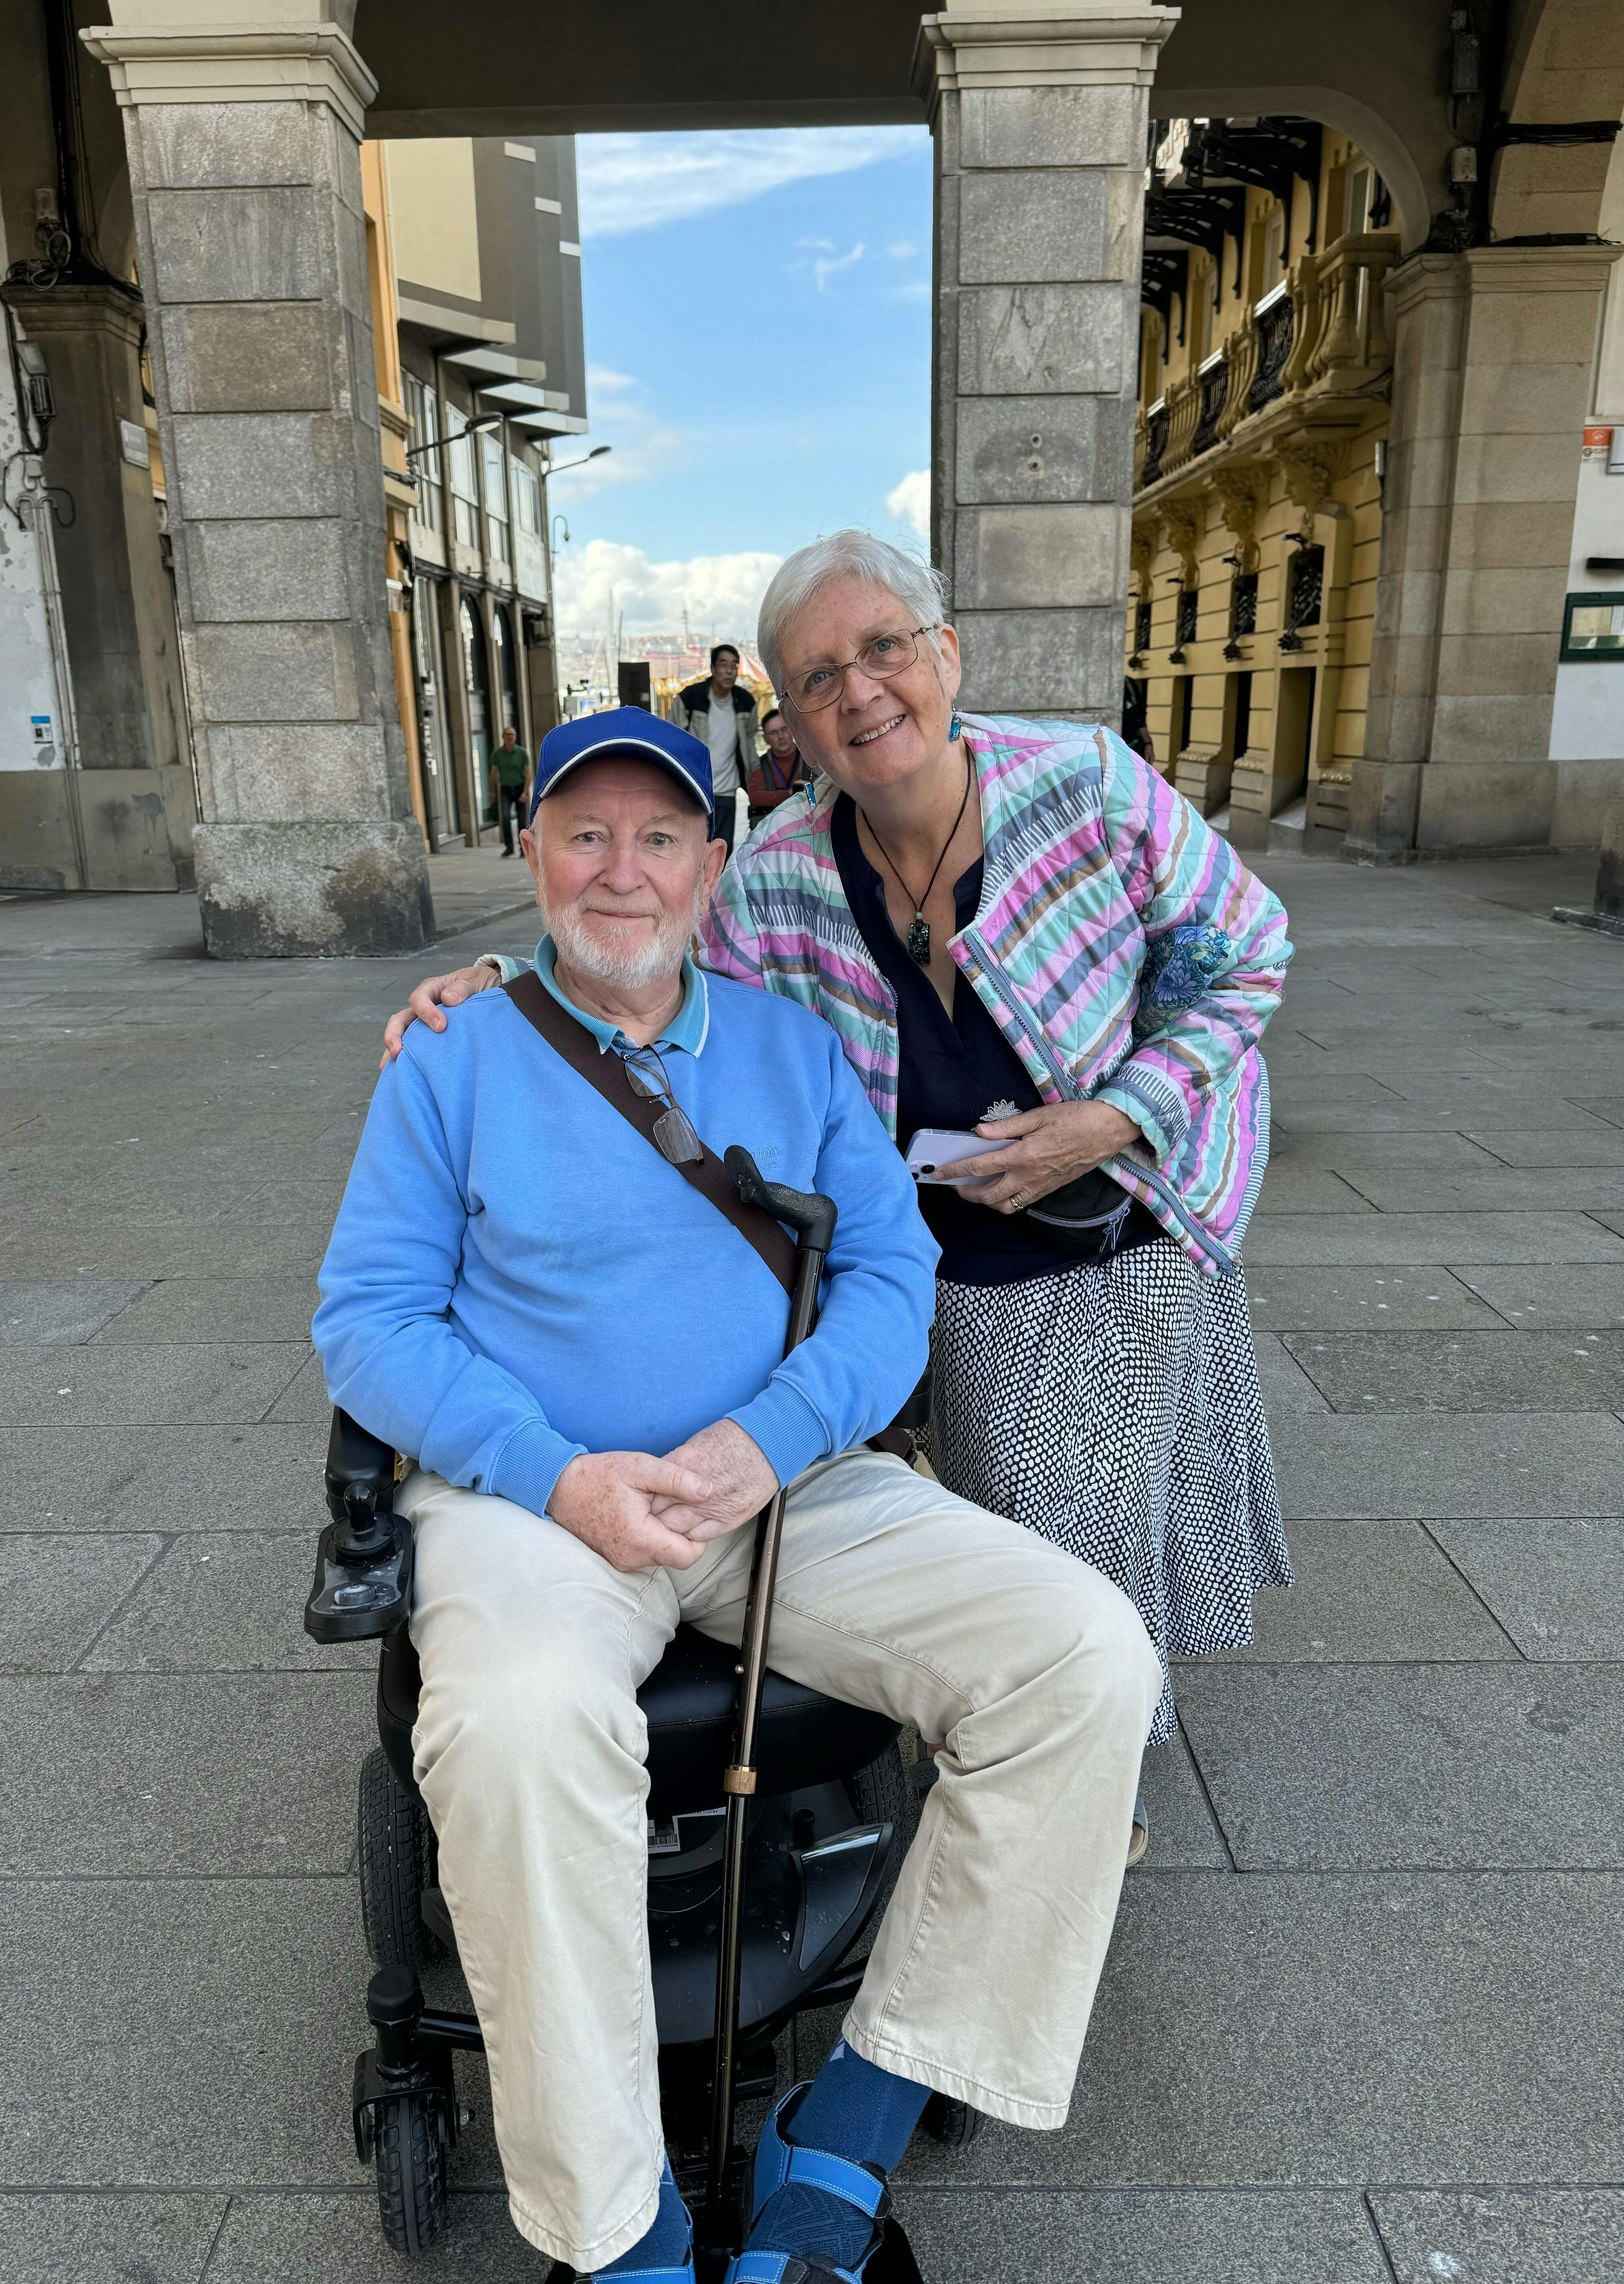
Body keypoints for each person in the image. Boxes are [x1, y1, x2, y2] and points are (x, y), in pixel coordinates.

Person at [320, 706, 1160, 2284]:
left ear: (715, 865)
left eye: (656, 838)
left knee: (1088, 1656)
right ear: (533, 856)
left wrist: (770, 1439)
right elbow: (365, 1318)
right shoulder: (456, 1055)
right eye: (584, 834)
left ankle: (850, 2120)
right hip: (535, 1505)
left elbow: (891, 1281)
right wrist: (558, 1476)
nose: (618, 871)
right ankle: (620, 2228)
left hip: (783, 1490)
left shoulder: (793, 1047)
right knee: (510, 1727)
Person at [383, 534, 1294, 1861]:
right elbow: (641, 943)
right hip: (921, 1242)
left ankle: (1091, 1792)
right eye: (817, 679)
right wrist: (498, 987)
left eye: (883, 650)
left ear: (945, 656)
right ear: (791, 721)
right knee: (970, 1500)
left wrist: (1117, 1116)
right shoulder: (786, 871)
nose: (859, 691)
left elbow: (1246, 958)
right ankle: (1013, 1732)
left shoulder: (1085, 790)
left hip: (1117, 1218)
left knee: (1075, 1517)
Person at [670, 641, 758, 857]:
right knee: (691, 849)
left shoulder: (745, 702)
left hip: (727, 790)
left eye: (734, 666)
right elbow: (673, 739)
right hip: (696, 787)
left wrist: (755, 780)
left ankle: (717, 892)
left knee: (722, 851)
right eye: (723, 665)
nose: (729, 671)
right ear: (713, 668)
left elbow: (750, 745)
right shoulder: (691, 698)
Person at [746, 704, 816, 826]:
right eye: (773, 733)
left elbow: (824, 790)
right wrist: (790, 794)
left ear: (791, 729)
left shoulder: (811, 758)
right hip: (774, 828)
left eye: (784, 729)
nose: (781, 737)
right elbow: (755, 797)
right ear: (766, 739)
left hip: (810, 823)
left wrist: (808, 788)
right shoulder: (761, 764)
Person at [489, 723, 529, 857]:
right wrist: (492, 791)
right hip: (506, 789)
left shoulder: (522, 753)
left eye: (512, 735)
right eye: (507, 735)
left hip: (519, 788)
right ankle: (509, 847)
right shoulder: (498, 754)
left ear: (515, 737)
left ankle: (523, 850)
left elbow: (528, 773)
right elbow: (493, 773)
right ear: (503, 737)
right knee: (505, 818)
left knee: (521, 820)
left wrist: (525, 792)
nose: (510, 737)